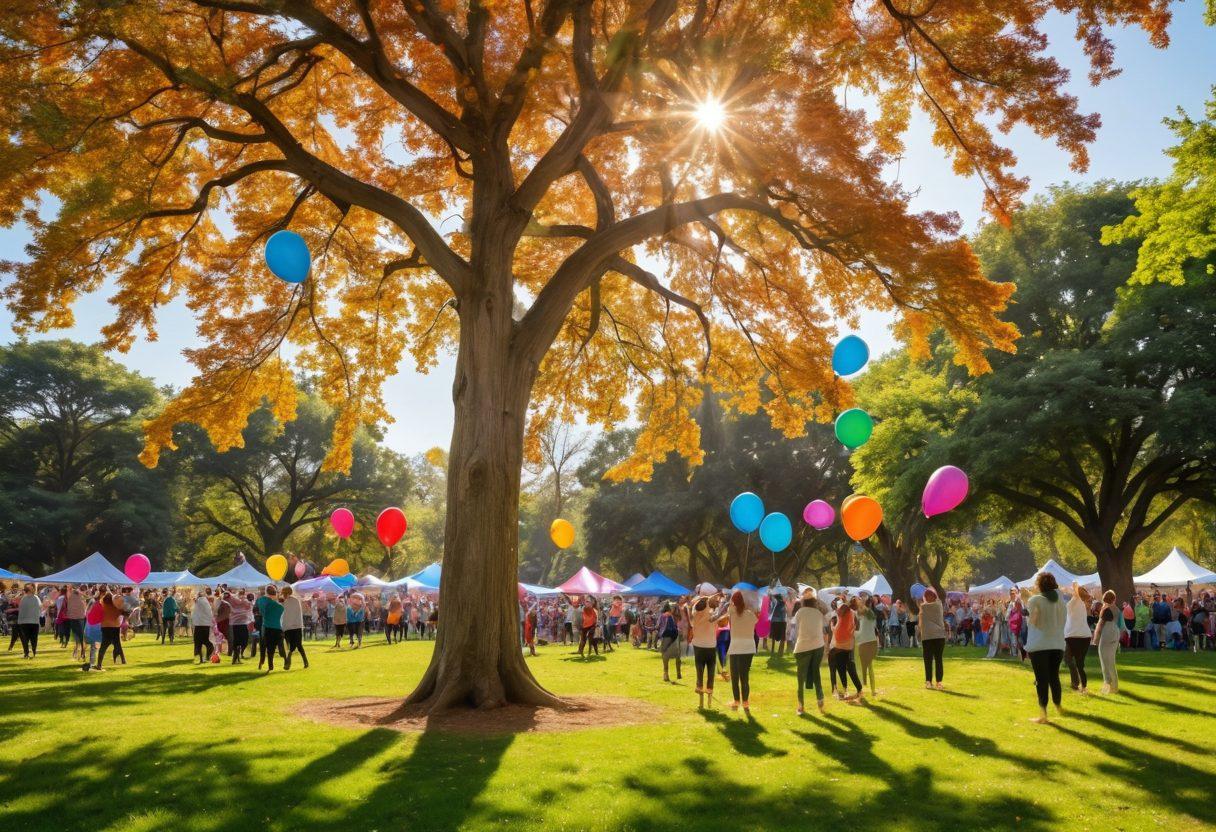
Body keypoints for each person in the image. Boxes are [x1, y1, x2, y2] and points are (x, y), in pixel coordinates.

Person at [1026, 573, 1067, 723]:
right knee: (1054, 677)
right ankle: (1058, 706)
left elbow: (1035, 622)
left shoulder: (1035, 600)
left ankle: (1043, 714)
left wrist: (1028, 600)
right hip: (1057, 645)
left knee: (1041, 680)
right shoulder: (1061, 600)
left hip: (1040, 645)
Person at [791, 588, 829, 714]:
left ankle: (801, 705)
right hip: (818, 646)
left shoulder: (800, 612)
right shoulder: (818, 613)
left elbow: (795, 627)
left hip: (803, 646)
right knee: (816, 673)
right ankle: (820, 700)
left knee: (800, 677)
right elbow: (826, 622)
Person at [719, 590, 758, 710]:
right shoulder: (750, 615)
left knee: (735, 676)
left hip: (736, 647)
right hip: (748, 647)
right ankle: (745, 702)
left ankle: (736, 701)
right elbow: (755, 621)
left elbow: (727, 608)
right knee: (744, 676)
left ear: (733, 602)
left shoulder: (732, 612)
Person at [829, 596, 865, 702]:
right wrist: (851, 630)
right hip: (848, 643)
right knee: (849, 667)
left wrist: (832, 625)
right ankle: (856, 690)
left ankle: (845, 690)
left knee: (841, 667)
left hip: (840, 643)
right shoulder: (852, 613)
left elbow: (839, 615)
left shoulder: (843, 610)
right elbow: (856, 626)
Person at [1064, 583, 1092, 694]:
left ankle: (1079, 685)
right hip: (1081, 636)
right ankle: (1079, 684)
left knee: (1072, 661)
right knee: (1077, 663)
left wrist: (1075, 587)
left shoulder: (1076, 601)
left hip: (1075, 636)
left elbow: (1075, 585)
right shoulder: (1080, 604)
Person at [690, 591, 718, 699]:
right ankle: (710, 687)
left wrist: (704, 599)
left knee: (699, 665)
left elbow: (694, 605)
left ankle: (699, 685)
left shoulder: (695, 613)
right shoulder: (712, 613)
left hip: (698, 643)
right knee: (711, 666)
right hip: (711, 644)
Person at [1091, 590, 1120, 694]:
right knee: (1111, 660)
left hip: (1107, 633)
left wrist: (1095, 638)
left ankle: (1108, 685)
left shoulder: (1105, 608)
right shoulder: (1116, 609)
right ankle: (1114, 686)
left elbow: (1100, 624)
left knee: (1104, 660)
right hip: (1115, 632)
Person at [917, 589, 946, 689]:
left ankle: (929, 681)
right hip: (938, 635)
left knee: (928, 660)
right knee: (938, 659)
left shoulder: (923, 607)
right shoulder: (939, 605)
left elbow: (920, 621)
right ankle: (938, 682)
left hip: (928, 636)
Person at [856, 592, 880, 697]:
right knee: (864, 667)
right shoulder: (863, 615)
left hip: (868, 642)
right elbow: (859, 611)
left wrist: (861, 601)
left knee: (867, 667)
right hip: (865, 642)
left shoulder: (870, 614)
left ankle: (871, 690)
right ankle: (868, 690)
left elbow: (862, 610)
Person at [256, 586, 285, 672]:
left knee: (263, 645)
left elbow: (260, 611)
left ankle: (262, 661)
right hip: (274, 626)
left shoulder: (260, 600)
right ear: (274, 593)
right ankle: (282, 660)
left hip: (264, 625)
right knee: (275, 645)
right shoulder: (274, 604)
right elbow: (281, 611)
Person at [280, 585, 309, 670]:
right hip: (291, 627)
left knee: (297, 645)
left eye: (284, 593)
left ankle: (291, 659)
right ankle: (304, 661)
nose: (283, 595)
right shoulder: (286, 602)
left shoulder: (291, 601)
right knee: (297, 645)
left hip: (293, 627)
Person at [96, 591, 126, 668]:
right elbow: (123, 612)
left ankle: (99, 664)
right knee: (117, 644)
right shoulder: (116, 606)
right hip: (115, 627)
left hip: (105, 627)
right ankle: (123, 660)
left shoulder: (102, 604)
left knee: (103, 646)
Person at [657, 601, 682, 682]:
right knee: (676, 655)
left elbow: (659, 626)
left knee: (666, 656)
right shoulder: (671, 616)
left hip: (665, 637)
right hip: (672, 636)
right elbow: (673, 627)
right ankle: (676, 673)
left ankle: (667, 673)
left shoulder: (662, 615)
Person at [16, 584, 41, 659]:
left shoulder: (22, 598)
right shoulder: (36, 598)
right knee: (34, 638)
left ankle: (26, 653)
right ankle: (33, 652)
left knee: (25, 639)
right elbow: (40, 607)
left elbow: (15, 602)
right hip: (34, 621)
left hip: (24, 622)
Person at [228, 591, 252, 664]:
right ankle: (237, 656)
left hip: (235, 624)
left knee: (236, 642)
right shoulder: (244, 601)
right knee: (243, 641)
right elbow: (249, 606)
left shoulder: (233, 601)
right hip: (242, 624)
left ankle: (236, 657)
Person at [191, 589, 215, 663]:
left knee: (198, 643)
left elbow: (195, 613)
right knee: (205, 641)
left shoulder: (199, 601)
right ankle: (207, 655)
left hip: (199, 625)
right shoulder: (205, 602)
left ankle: (199, 658)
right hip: (206, 625)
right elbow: (209, 613)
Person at [768, 585, 788, 656]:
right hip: (783, 621)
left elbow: (770, 611)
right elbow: (785, 611)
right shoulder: (784, 603)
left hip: (775, 621)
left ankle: (773, 650)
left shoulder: (774, 603)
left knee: (773, 636)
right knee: (782, 636)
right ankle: (781, 651)